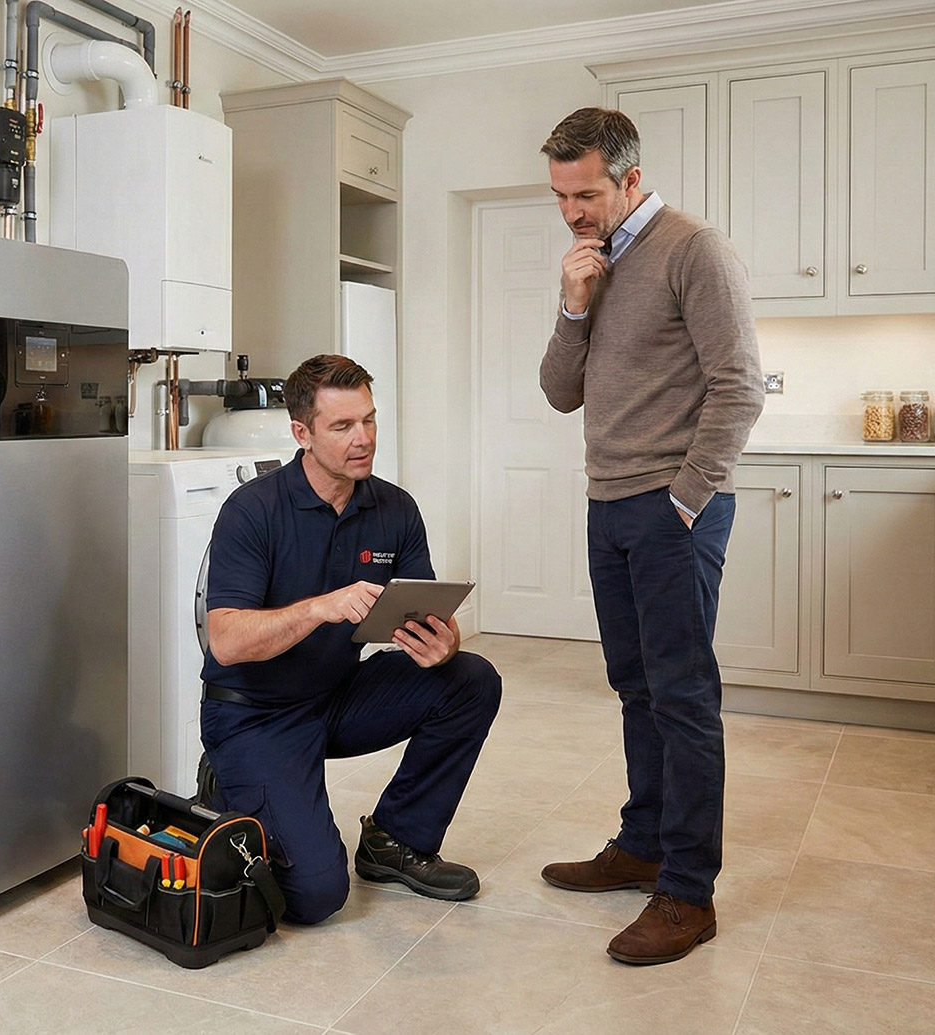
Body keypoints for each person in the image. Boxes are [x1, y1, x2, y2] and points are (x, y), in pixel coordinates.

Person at [534, 108, 765, 965]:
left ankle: (688, 890)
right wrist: (572, 304)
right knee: (634, 684)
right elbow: (561, 391)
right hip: (609, 504)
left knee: (682, 694)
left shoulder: (693, 248)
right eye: (560, 195)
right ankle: (644, 842)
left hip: (670, 509)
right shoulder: (594, 265)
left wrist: (686, 499)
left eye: (586, 193)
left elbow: (739, 387)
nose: (572, 211)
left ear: (630, 178)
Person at [197, 354, 502, 925]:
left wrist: (444, 641)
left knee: (469, 679)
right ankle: (226, 782)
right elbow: (226, 642)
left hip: (336, 695)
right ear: (302, 433)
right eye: (342, 426)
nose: (362, 439)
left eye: (369, 420)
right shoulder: (253, 511)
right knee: (315, 898)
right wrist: (318, 608)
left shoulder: (394, 508)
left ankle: (395, 841)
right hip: (254, 715)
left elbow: (426, 610)